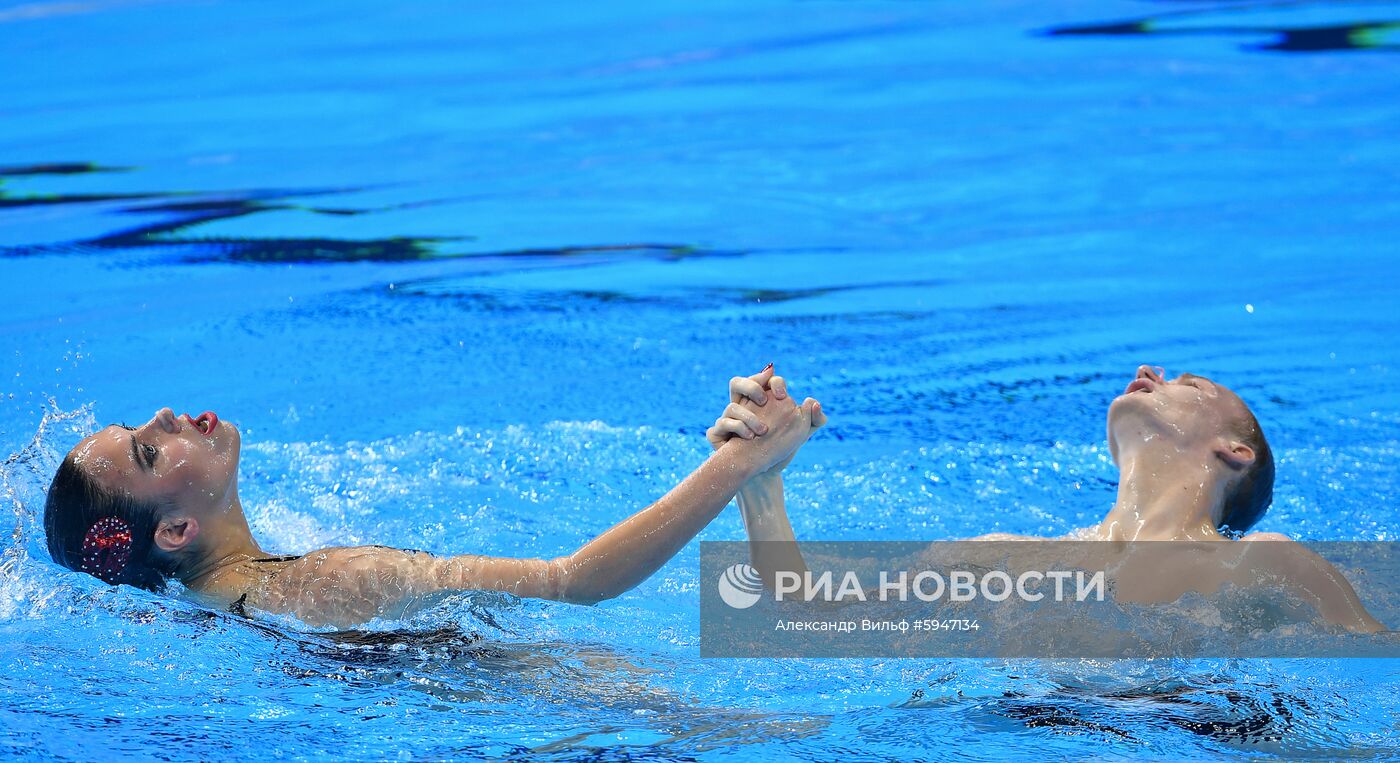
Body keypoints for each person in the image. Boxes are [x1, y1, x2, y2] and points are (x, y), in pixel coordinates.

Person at [43, 364, 825, 628]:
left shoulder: (233, 601)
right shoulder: (326, 581)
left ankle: (766, 491)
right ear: (175, 530)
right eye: (148, 450)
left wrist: (754, 473)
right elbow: (576, 581)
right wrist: (735, 461)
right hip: (585, 725)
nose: (164, 415)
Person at [713, 364, 1387, 633]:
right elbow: (808, 607)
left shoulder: (1265, 562)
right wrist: (760, 478)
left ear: (1234, 452)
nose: (1147, 372)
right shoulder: (1001, 559)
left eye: (1189, 384)